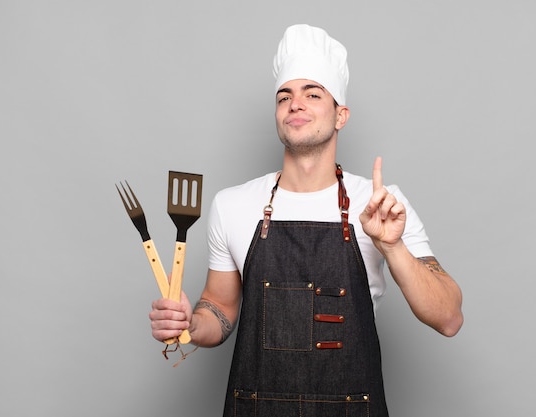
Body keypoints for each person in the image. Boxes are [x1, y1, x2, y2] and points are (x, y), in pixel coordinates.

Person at [149, 24, 463, 416]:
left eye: (312, 93)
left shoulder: (381, 205)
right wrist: (190, 324)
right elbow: (220, 308)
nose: (295, 104)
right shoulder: (233, 205)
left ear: (341, 115)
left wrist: (392, 246)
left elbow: (449, 317)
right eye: (285, 97)